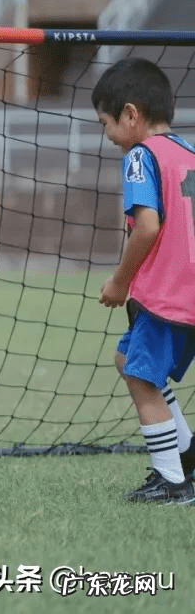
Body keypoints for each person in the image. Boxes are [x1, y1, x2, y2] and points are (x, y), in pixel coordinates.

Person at [94, 57, 195, 504]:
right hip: (188, 294)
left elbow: (148, 226)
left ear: (131, 114)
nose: (108, 135)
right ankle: (187, 452)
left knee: (139, 377)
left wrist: (119, 282)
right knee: (126, 357)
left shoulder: (141, 155)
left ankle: (172, 481)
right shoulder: (188, 153)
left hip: (166, 296)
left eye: (106, 123)